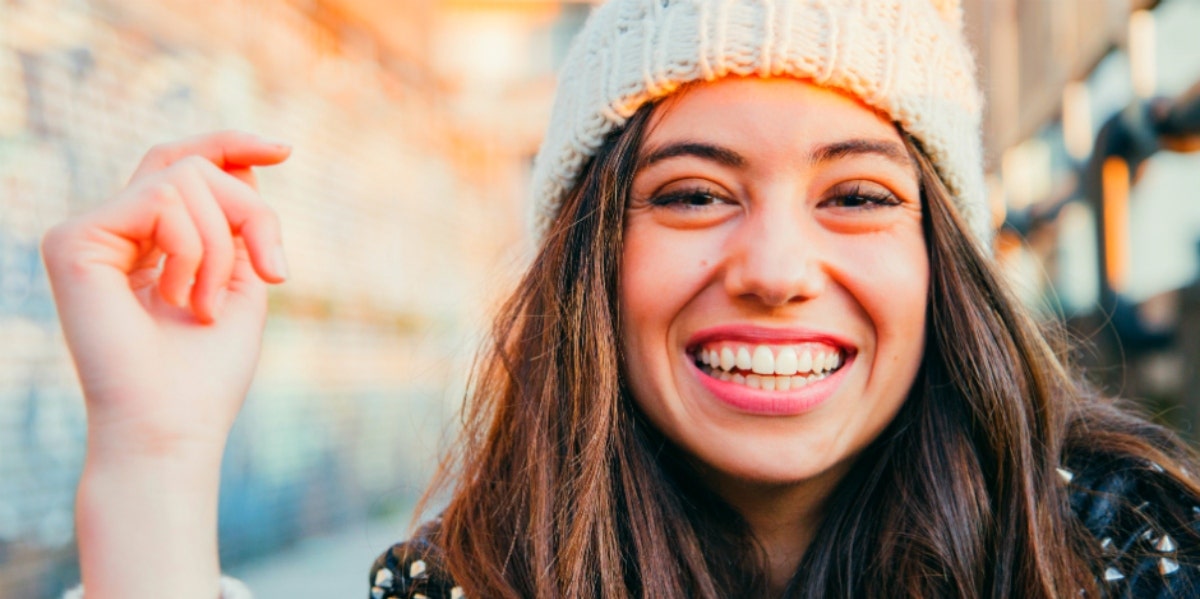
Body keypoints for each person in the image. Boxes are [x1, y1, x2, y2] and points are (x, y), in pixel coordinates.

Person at [42, 0, 1200, 597]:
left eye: (856, 193)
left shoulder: (1128, 554)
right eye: (694, 194)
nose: (777, 266)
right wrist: (154, 457)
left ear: (943, 258)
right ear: (592, 257)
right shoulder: (474, 584)